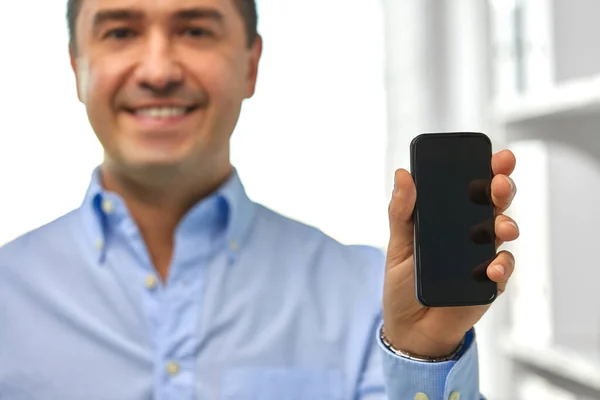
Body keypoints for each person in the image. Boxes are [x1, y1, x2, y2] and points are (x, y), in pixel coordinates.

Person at [0, 0, 519, 399]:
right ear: (77, 66)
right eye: (120, 32)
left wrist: (423, 354)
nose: (158, 70)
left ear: (251, 65)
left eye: (195, 30)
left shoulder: (374, 309)